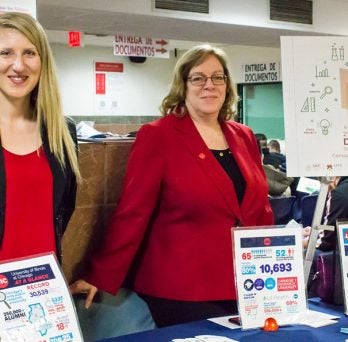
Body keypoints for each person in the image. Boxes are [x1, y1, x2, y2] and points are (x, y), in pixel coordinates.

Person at [70, 44, 274, 327]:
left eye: (218, 77)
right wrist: (100, 274)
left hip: (248, 283)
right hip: (182, 291)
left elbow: (260, 210)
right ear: (183, 85)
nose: (209, 85)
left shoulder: (245, 136)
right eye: (198, 78)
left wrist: (277, 257)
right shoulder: (159, 136)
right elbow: (133, 213)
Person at [0, 12, 80, 262]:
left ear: (43, 61)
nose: (19, 65)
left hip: (42, 287)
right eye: (6, 53)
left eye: (29, 53)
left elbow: (64, 209)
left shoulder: (62, 131)